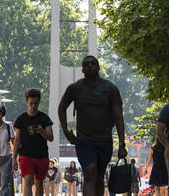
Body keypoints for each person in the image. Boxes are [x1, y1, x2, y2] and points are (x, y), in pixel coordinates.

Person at [58, 55, 128, 196]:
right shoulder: (75, 88)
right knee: (90, 173)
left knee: (99, 176)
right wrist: (65, 130)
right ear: (82, 69)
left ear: (99, 67)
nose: (90, 66)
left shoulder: (110, 88)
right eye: (86, 64)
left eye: (93, 63)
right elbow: (62, 107)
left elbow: (119, 117)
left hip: (104, 140)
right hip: (84, 140)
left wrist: (122, 144)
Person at [13, 88, 55, 196]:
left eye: (36, 103)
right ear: (27, 101)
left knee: (39, 183)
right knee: (28, 179)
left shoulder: (45, 118)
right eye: (31, 103)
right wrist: (14, 158)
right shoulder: (21, 119)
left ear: (39, 102)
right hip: (25, 155)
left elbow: (51, 137)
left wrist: (42, 131)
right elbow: (17, 140)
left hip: (41, 155)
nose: (33, 106)